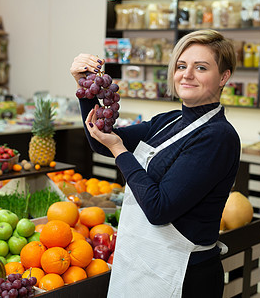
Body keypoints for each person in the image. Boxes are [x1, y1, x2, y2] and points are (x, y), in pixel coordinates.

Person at [70, 29, 240, 298]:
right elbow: (102, 140)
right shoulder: (169, 120)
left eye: (201, 67)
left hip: (187, 276)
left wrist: (119, 150)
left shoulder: (218, 137)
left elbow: (159, 208)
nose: (187, 74)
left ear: (224, 77)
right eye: (182, 66)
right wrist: (86, 92)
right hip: (145, 263)